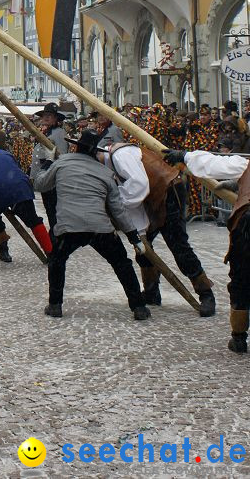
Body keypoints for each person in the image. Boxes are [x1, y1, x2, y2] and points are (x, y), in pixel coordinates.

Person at [36, 131, 150, 321]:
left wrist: (46, 164)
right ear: (95, 152)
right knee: (122, 264)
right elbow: (118, 210)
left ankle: (55, 304)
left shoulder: (61, 163)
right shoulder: (105, 173)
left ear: (76, 147)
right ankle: (138, 306)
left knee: (57, 261)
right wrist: (133, 237)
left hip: (69, 228)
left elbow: (41, 185)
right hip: (100, 227)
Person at [101, 142, 216, 316]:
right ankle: (151, 292)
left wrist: (115, 203)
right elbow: (135, 196)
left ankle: (206, 294)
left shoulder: (120, 155)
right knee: (142, 249)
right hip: (151, 199)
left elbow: (138, 186)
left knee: (178, 247)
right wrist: (138, 234)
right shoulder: (112, 164)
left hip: (168, 192)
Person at [165, 147, 249, 350]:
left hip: (247, 226)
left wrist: (185, 156)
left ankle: (239, 338)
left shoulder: (246, 165)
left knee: (243, 280)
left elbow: (216, 164)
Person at [0, 130, 53, 268]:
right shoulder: (5, 153)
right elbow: (15, 172)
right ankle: (51, 253)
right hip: (21, 190)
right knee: (34, 221)